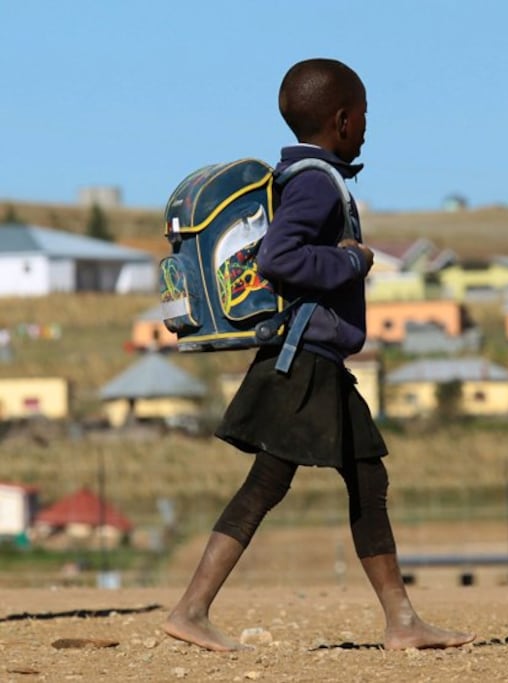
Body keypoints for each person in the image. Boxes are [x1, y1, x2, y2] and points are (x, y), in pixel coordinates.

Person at [163, 58, 475, 653]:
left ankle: (402, 622)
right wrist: (352, 261)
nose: (366, 126)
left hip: (312, 358)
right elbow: (279, 258)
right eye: (362, 116)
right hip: (303, 359)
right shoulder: (314, 182)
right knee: (276, 483)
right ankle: (192, 609)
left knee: (359, 477)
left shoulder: (307, 176)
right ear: (341, 119)